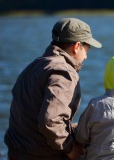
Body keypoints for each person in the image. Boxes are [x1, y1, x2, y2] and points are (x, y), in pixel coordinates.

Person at [4, 18, 102, 160]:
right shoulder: (64, 73)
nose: (86, 56)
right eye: (87, 49)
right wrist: (70, 149)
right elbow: (50, 121)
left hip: (17, 153)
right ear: (76, 46)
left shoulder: (33, 67)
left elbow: (32, 117)